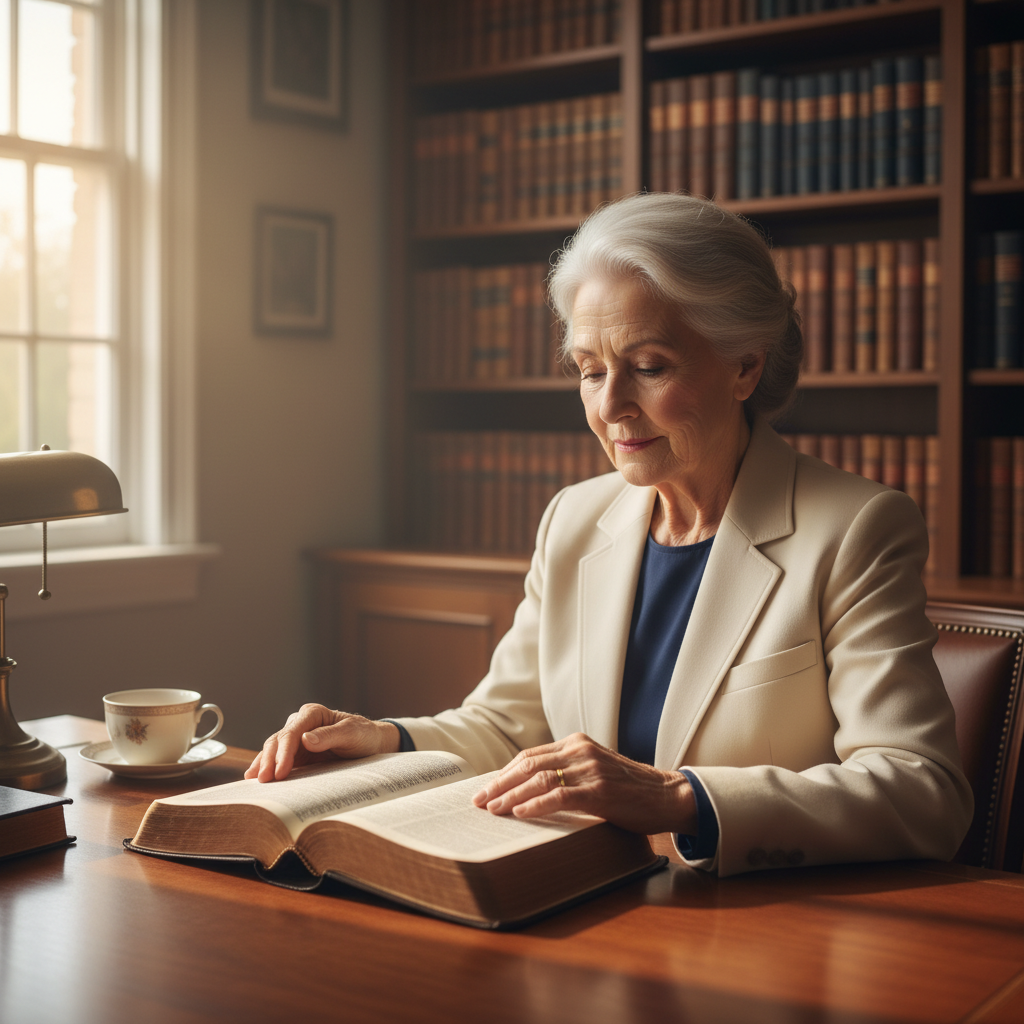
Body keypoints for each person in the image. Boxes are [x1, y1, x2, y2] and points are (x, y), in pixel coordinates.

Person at [246, 193, 972, 876]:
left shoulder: (856, 529)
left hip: (757, 929)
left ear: (745, 366)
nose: (612, 406)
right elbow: (506, 727)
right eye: (590, 371)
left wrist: (679, 799)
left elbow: (922, 792)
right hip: (581, 907)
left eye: (649, 367)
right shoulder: (573, 519)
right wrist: (384, 739)